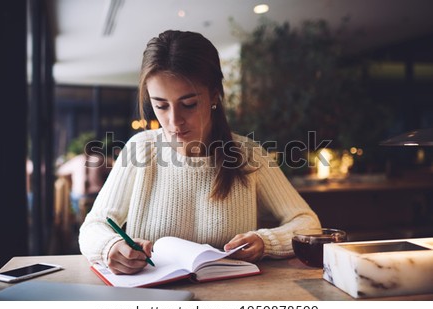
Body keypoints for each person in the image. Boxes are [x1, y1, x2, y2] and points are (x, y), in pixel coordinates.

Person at [79, 30, 321, 275]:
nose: (174, 121)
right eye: (161, 105)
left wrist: (266, 242)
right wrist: (111, 245)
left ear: (214, 95)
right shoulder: (140, 149)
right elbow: (93, 226)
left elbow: (308, 224)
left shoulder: (249, 155)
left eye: (189, 104)